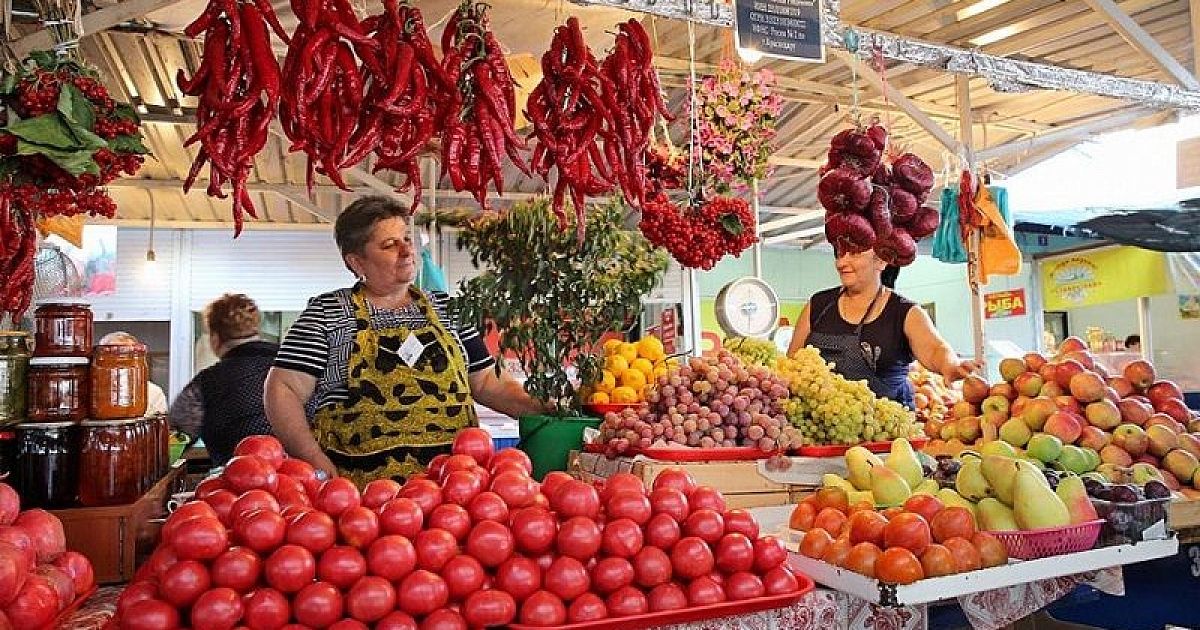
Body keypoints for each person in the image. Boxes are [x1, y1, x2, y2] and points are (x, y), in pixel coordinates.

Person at [265, 196, 546, 485]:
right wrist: (313, 459)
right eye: (389, 245)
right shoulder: (328, 314)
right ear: (356, 261)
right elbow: (282, 389)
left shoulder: (449, 310)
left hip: (454, 495)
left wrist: (545, 407)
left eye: (407, 239)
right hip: (361, 501)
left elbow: (487, 383)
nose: (406, 250)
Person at [787, 250, 978, 408]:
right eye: (839, 254)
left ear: (881, 261)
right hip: (821, 430)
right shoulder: (818, 305)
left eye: (853, 253)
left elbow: (935, 348)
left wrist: (950, 365)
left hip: (885, 438)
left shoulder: (904, 312)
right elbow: (792, 363)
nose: (841, 263)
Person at [168, 294, 278, 466]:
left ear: (215, 338)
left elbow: (174, 439)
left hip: (240, 483)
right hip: (307, 481)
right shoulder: (294, 368)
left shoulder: (206, 384)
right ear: (257, 331)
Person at [97, 331, 168, 416]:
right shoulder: (87, 390)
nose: (118, 364)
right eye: (111, 357)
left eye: (126, 357)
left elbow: (158, 425)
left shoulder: (153, 392)